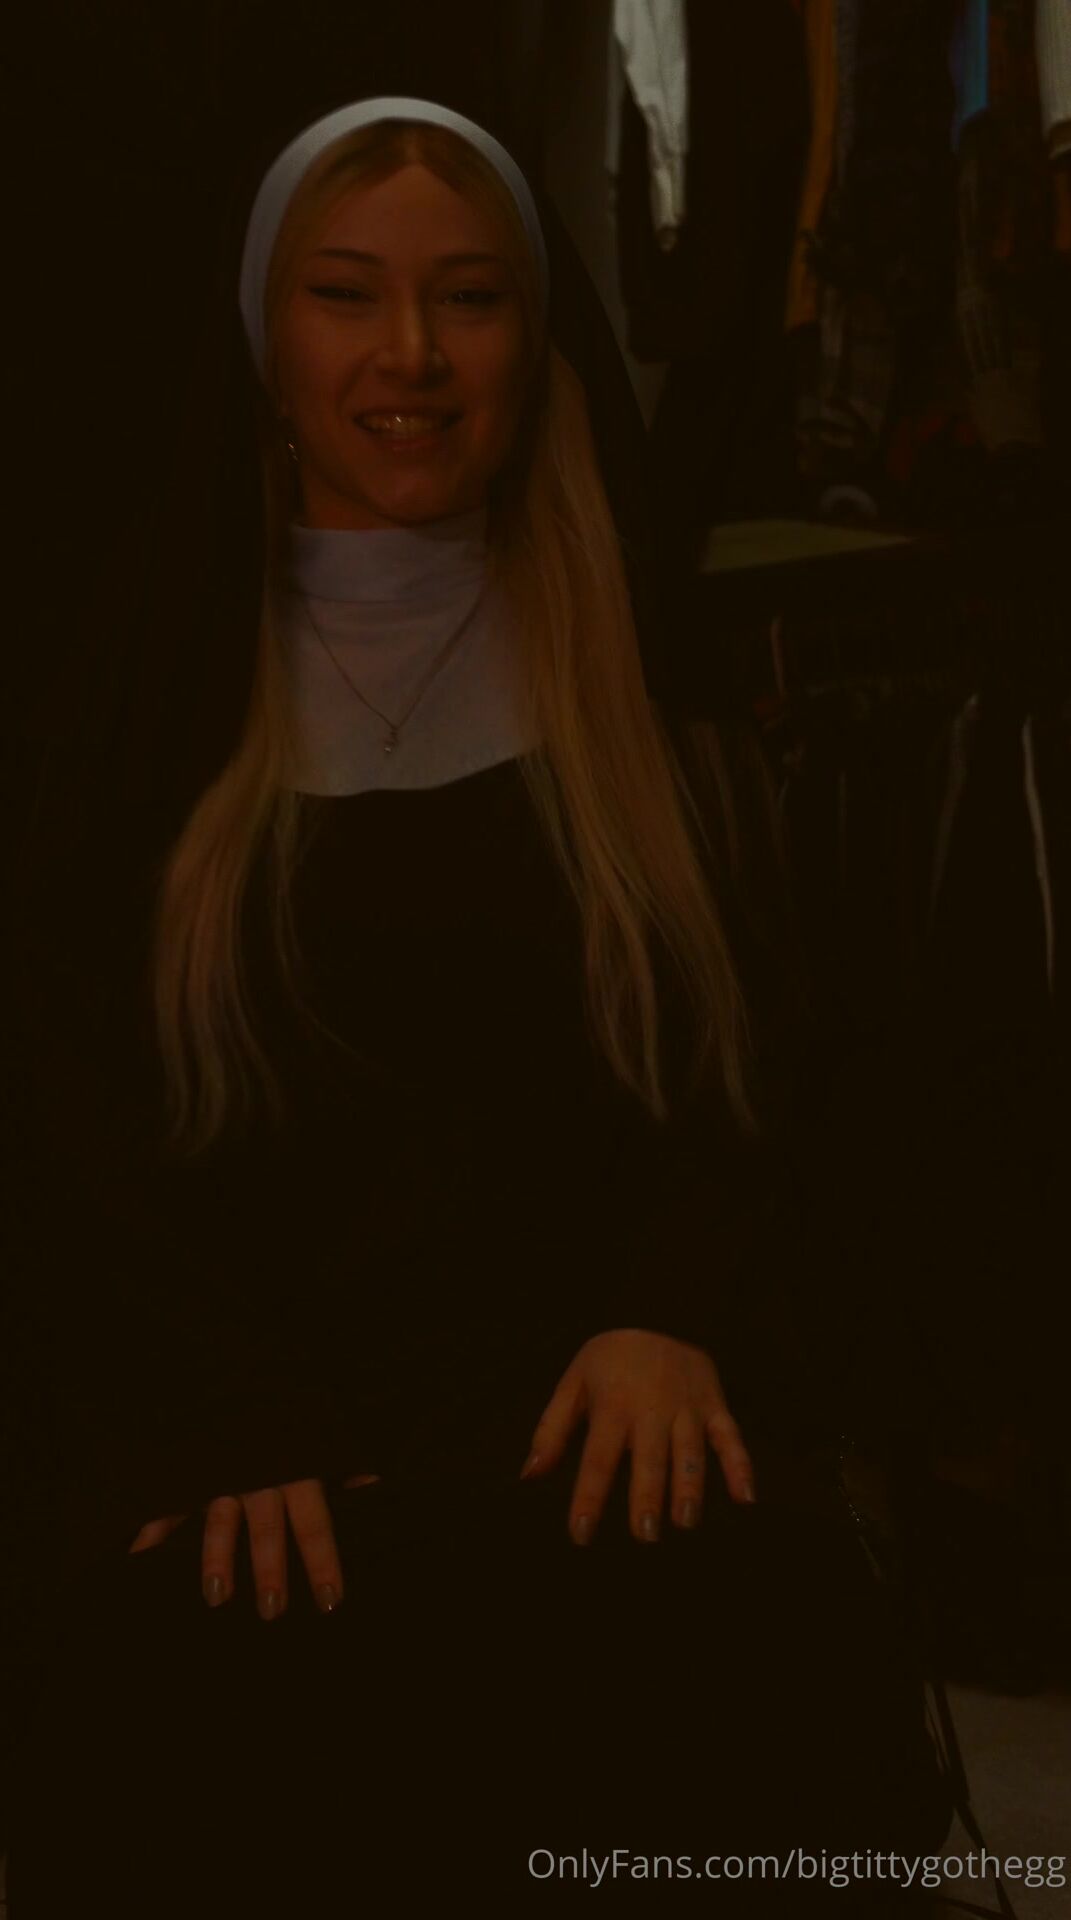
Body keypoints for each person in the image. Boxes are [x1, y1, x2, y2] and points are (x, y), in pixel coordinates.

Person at [2, 88, 951, 1920]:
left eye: (470, 297)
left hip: (590, 1418)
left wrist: (673, 1312)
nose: (412, 356)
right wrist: (212, 1408)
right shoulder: (137, 716)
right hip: (256, 1432)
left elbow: (764, 1067)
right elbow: (64, 1120)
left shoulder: (647, 703)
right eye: (346, 294)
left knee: (734, 1680)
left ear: (537, 337)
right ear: (265, 341)